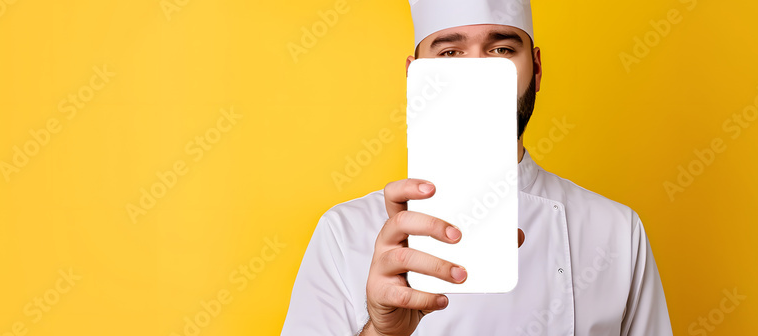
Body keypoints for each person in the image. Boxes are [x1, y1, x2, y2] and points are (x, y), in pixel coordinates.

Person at [281, 0, 673, 335]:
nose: (479, 72)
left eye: (502, 49)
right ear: (414, 77)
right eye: (450, 53)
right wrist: (381, 331)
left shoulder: (617, 231)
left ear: (536, 70)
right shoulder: (344, 233)